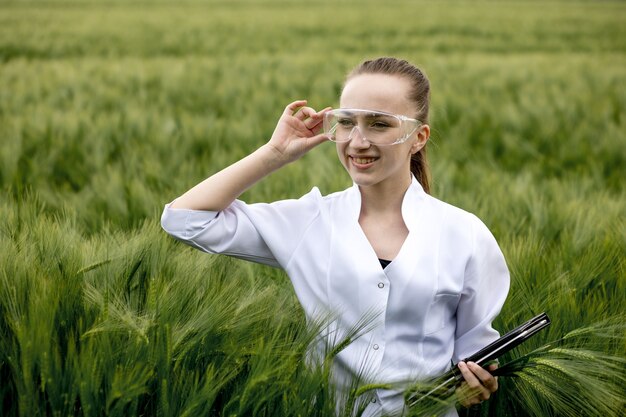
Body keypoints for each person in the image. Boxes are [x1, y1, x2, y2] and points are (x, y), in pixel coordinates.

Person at [161, 57, 510, 416]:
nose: (358, 142)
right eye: (346, 122)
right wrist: (274, 154)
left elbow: (474, 354)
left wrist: (477, 382)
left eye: (379, 124)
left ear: (418, 138)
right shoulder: (307, 222)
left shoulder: (465, 235)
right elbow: (185, 219)